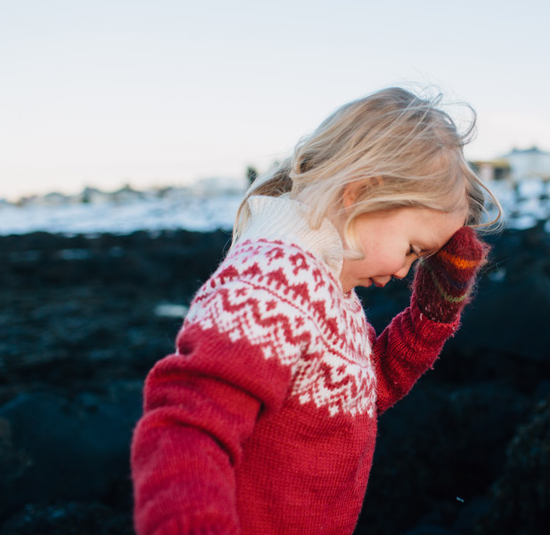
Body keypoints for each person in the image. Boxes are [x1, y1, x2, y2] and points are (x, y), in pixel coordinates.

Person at [130, 86, 501, 535]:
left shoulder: (328, 290)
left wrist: (432, 316)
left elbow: (368, 389)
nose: (406, 272)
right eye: (411, 249)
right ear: (363, 193)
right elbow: (186, 429)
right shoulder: (274, 282)